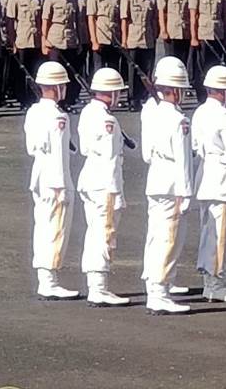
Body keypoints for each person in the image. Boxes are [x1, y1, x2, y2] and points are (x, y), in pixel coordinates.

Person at [140, 59, 194, 314]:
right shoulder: (178, 119)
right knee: (169, 239)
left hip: (156, 180)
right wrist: (186, 192)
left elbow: (146, 154)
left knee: (155, 237)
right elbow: (184, 160)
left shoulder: (150, 112)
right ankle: (160, 291)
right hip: (173, 185)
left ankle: (154, 286)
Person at [22, 61, 78, 300]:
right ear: (57, 88)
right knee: (55, 229)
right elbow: (56, 153)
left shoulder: (34, 111)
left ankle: (46, 278)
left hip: (40, 176)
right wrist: (62, 186)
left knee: (43, 226)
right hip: (55, 179)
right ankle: (49, 280)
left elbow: (32, 148)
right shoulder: (58, 117)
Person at [192, 65, 226, 303]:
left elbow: (195, 145)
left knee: (209, 232)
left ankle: (209, 283)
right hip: (224, 179)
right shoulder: (225, 115)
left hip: (205, 176)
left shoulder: (200, 112)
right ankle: (216, 283)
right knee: (222, 235)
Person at [77, 67, 132, 307]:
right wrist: (115, 191)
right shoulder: (107, 119)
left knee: (95, 233)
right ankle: (98, 287)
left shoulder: (89, 112)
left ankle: (95, 285)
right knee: (103, 234)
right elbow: (110, 156)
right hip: (104, 183)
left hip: (91, 180)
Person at [42, 0, 84, 111]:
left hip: (70, 39)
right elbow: (45, 21)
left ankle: (67, 101)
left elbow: (76, 22)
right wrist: (45, 40)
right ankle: (55, 101)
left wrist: (78, 39)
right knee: (56, 73)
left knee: (69, 74)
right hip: (55, 40)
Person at [120, 0, 158, 112]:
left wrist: (154, 35)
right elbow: (125, 20)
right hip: (133, 38)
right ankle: (132, 99)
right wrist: (124, 39)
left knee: (147, 70)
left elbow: (154, 20)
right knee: (133, 71)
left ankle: (144, 96)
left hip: (147, 39)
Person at [189, 0, 226, 101]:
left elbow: (225, 15)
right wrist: (194, 37)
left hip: (218, 33)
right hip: (203, 34)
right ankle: (202, 95)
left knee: (215, 66)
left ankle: (214, 94)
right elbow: (193, 16)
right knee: (202, 68)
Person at [7, 0, 44, 110]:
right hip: (22, 40)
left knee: (35, 71)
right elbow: (10, 22)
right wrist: (13, 41)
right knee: (22, 73)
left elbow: (41, 20)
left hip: (36, 40)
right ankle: (22, 99)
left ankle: (34, 96)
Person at [86, 0, 122, 71]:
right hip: (101, 38)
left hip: (114, 39)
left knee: (114, 69)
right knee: (99, 70)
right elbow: (91, 19)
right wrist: (94, 41)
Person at [157, 0, 192, 64]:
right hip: (171, 31)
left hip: (185, 31)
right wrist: (163, 30)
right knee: (171, 61)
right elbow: (162, 12)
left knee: (184, 62)